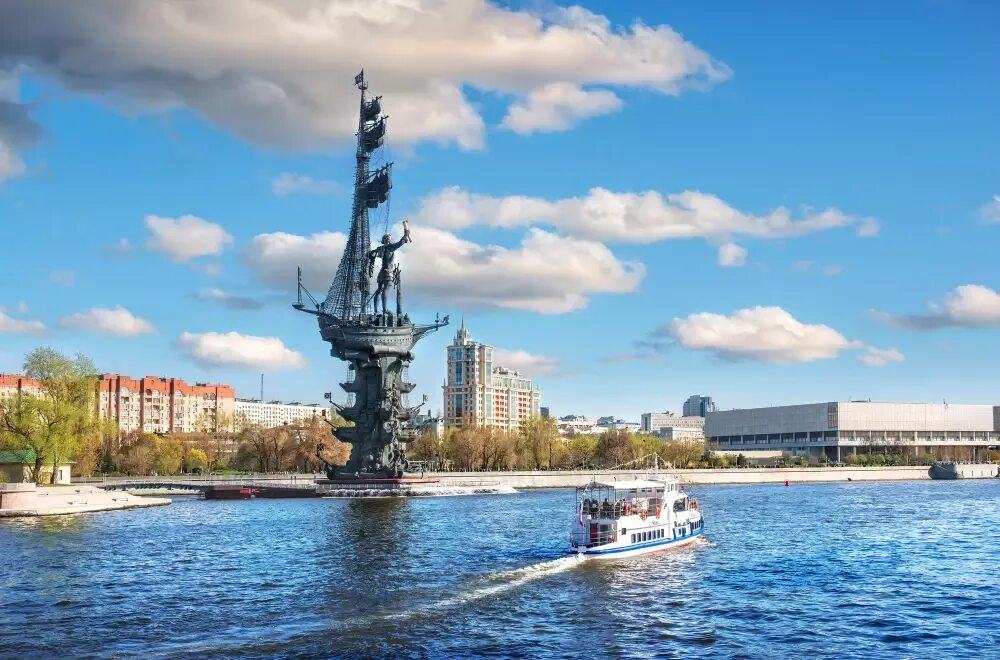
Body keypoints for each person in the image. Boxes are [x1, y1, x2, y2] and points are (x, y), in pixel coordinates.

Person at [368, 221, 411, 316]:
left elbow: (371, 254)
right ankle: (385, 310)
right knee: (386, 290)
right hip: (388, 273)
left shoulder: (380, 248)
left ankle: (376, 310)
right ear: (389, 240)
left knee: (379, 290)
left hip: (381, 273)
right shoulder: (390, 247)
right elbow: (400, 242)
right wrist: (406, 233)